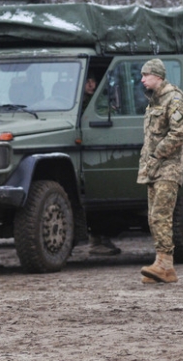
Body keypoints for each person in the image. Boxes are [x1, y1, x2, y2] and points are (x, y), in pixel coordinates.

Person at [137, 58, 183, 283]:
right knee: (153, 216)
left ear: (157, 76)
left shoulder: (174, 97)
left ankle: (165, 264)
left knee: (161, 215)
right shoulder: (153, 101)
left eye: (146, 75)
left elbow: (180, 132)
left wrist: (158, 153)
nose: (142, 79)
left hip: (168, 167)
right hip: (153, 168)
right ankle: (163, 264)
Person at [83, 75, 123, 256]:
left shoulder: (100, 99)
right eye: (87, 81)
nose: (91, 84)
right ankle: (96, 240)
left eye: (93, 80)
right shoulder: (76, 102)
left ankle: (100, 239)